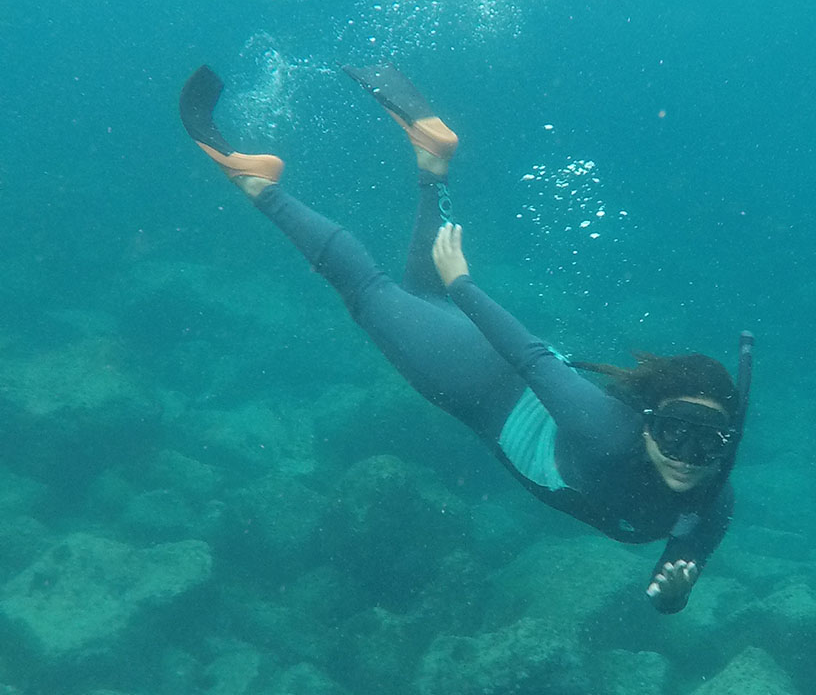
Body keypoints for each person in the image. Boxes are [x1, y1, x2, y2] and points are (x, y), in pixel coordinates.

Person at [179, 63, 750, 613]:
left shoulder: (713, 501)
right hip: (480, 382)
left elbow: (673, 576)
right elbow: (527, 356)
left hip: (486, 376)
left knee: (419, 296)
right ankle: (259, 184)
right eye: (677, 434)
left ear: (728, 445)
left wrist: (673, 596)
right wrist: (466, 287)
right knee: (366, 291)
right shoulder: (605, 431)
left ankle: (434, 159)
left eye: (708, 443)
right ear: (649, 421)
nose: (689, 459)